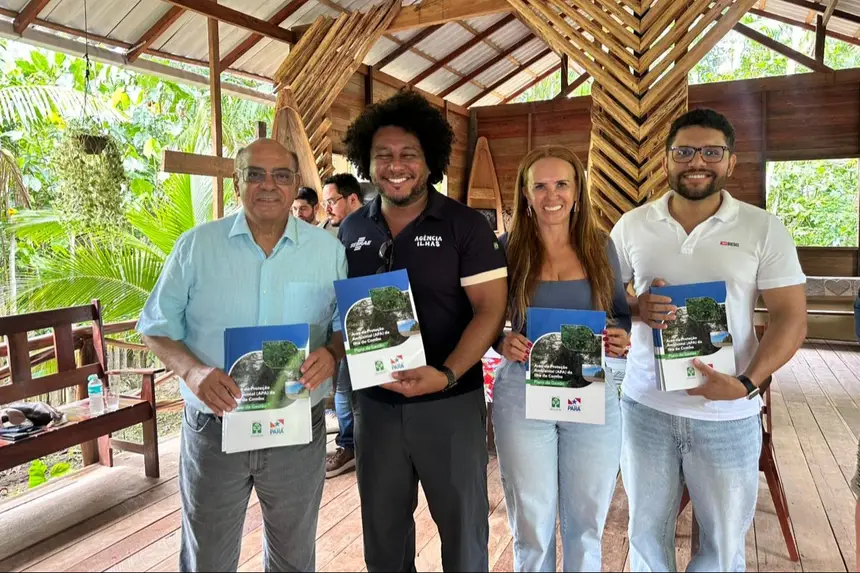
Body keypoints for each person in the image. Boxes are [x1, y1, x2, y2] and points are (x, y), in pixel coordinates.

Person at [610, 109, 807, 572]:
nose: (696, 161)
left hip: (728, 415)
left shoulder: (763, 228)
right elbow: (608, 295)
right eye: (683, 151)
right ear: (666, 160)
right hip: (645, 408)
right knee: (645, 538)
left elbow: (791, 319)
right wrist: (638, 307)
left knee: (721, 549)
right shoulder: (632, 225)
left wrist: (746, 384)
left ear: (730, 162)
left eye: (711, 152)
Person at [138, 139, 347, 572]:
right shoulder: (196, 247)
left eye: (281, 175)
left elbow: (342, 325)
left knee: (294, 560)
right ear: (237, 184)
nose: (268, 185)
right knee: (208, 560)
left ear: (295, 184)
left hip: (295, 432)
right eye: (255, 174)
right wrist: (192, 373)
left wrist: (332, 352)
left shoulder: (329, 252)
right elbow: (155, 327)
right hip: (214, 429)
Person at [337, 90, 508, 572]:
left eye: (408, 154)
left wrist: (447, 373)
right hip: (375, 407)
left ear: (430, 160)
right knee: (384, 538)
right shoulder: (352, 229)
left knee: (463, 533)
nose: (396, 166)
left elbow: (490, 311)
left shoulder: (465, 226)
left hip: (449, 405)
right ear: (367, 163)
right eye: (383, 155)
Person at [492, 145, 631, 572]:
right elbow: (484, 316)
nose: (551, 195)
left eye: (561, 184)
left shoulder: (600, 246)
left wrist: (620, 336)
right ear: (525, 193)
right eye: (540, 186)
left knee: (587, 520)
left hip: (591, 389)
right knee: (530, 521)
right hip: (523, 390)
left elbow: (620, 313)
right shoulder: (505, 248)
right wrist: (501, 341)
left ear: (577, 191)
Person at [320, 172, 365, 477]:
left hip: (369, 322)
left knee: (349, 391)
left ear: (352, 199)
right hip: (339, 322)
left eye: (332, 201)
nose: (327, 208)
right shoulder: (332, 233)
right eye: (325, 203)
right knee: (343, 390)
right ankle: (349, 445)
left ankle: (351, 446)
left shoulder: (376, 226)